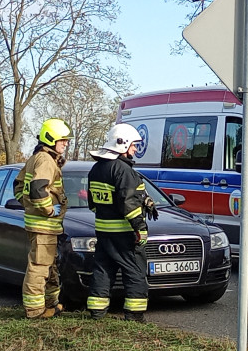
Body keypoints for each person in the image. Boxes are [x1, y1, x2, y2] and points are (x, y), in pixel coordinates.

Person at [86, 123, 154, 322]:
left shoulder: (96, 169)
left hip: (103, 230)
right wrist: (140, 227)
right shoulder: (123, 171)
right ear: (123, 145)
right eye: (133, 145)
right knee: (135, 270)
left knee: (103, 269)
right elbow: (128, 203)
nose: (135, 150)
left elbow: (92, 204)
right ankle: (134, 316)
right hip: (125, 233)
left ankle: (97, 314)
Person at [13, 118, 72, 319]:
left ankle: (51, 304)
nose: (65, 143)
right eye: (62, 140)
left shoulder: (36, 158)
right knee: (39, 266)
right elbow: (38, 189)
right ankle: (35, 311)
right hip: (44, 225)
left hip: (40, 225)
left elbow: (19, 187)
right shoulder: (46, 160)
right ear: (51, 139)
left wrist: (28, 205)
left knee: (49, 265)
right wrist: (48, 210)